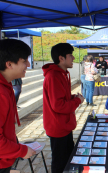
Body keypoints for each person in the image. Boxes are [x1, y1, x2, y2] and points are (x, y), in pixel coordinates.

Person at [42, 43, 84, 173]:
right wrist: (77, 100)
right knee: (60, 163)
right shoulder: (54, 76)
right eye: (70, 55)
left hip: (64, 125)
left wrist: (72, 97)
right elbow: (58, 105)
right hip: (58, 127)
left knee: (68, 159)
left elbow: (61, 98)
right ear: (61, 58)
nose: (73, 58)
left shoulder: (62, 74)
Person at [0, 39, 36, 173]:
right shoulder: (1, 92)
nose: (28, 64)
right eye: (24, 61)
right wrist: (21, 150)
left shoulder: (6, 86)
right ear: (9, 64)